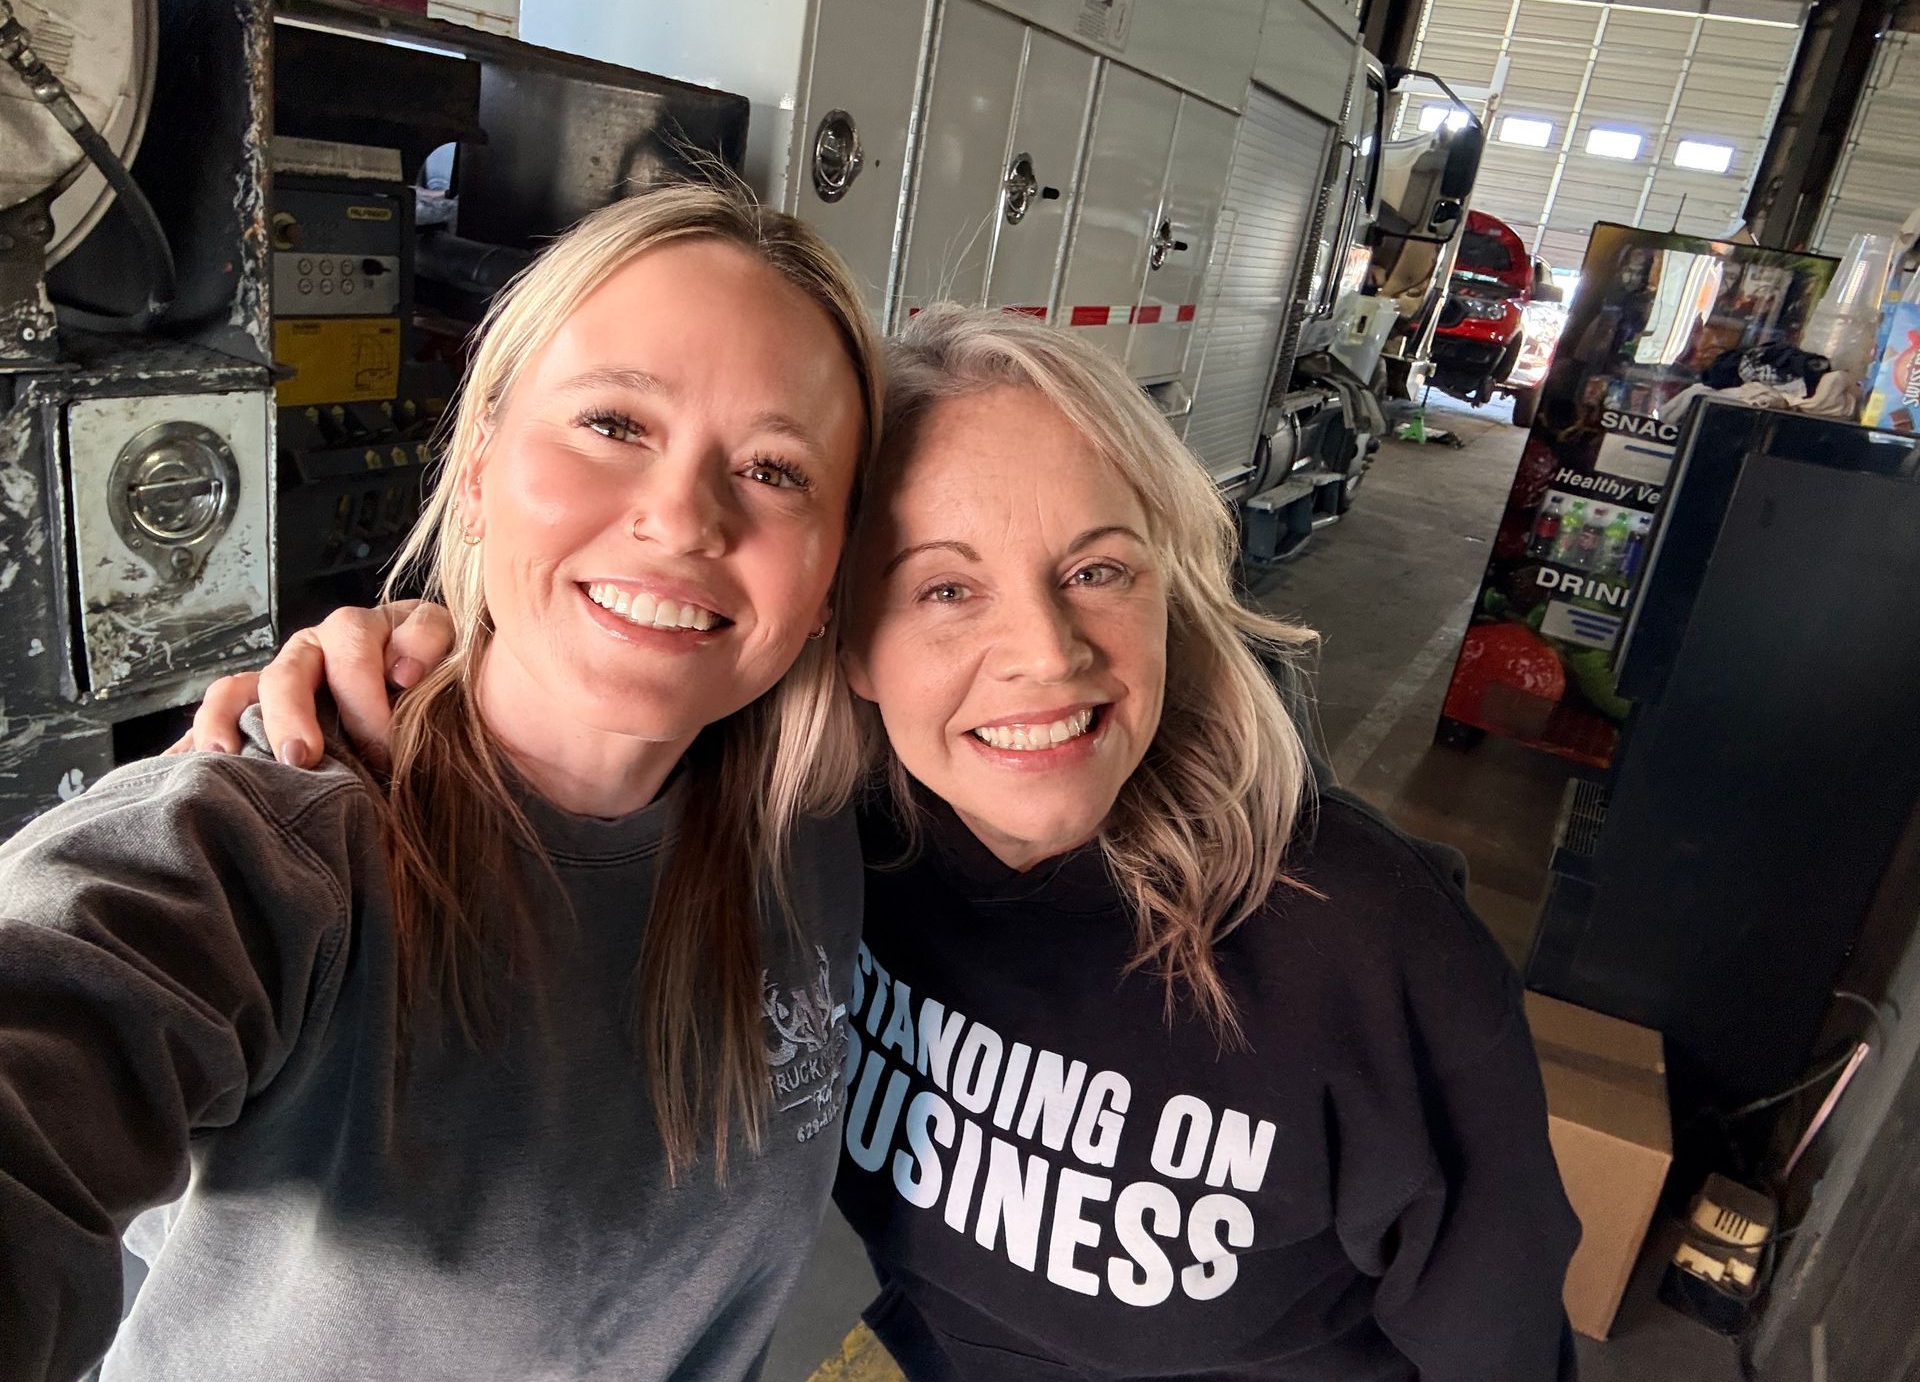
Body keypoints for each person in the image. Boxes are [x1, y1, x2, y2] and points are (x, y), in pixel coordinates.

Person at [184, 306, 1582, 1380]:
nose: (1046, 653)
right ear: (843, 637)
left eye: (1099, 568)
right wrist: (403, 665)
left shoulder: (1366, 948)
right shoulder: (815, 849)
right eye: (946, 587)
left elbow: (1502, 1350)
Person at [0, 182, 884, 1382]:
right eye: (614, 424)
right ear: (476, 470)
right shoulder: (279, 842)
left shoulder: (815, 820)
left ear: (833, 570)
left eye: (777, 470)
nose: (681, 519)